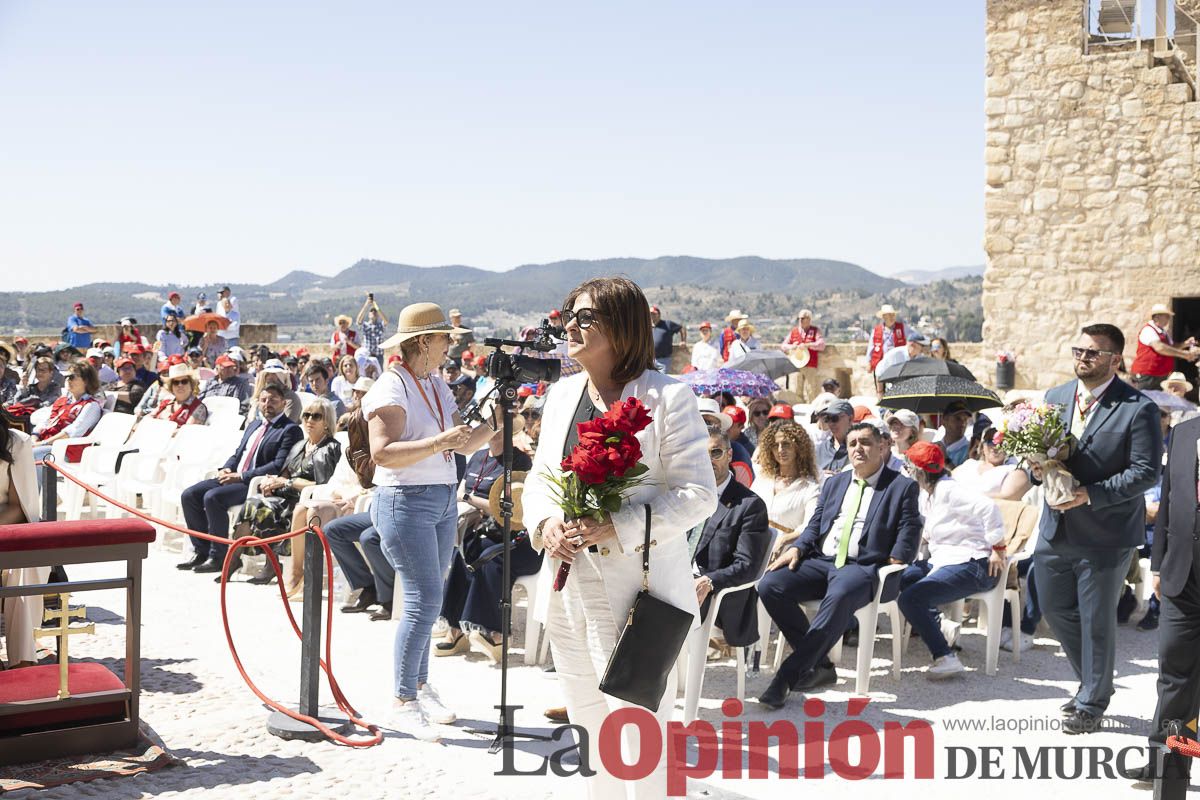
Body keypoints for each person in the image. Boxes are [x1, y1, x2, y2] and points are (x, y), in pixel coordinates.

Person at [520, 276, 717, 799]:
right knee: (586, 714)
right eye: (569, 314)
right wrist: (545, 526)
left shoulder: (669, 397)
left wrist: (617, 526)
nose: (570, 326)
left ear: (622, 327)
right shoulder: (561, 394)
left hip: (638, 591)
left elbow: (699, 493)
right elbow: (540, 479)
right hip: (566, 586)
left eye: (585, 317)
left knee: (637, 720)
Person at [363, 302, 495, 741]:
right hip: (404, 500)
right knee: (422, 603)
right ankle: (403, 700)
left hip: (438, 499)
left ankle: (418, 686)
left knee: (429, 603)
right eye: (444, 338)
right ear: (423, 342)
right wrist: (441, 439)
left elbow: (461, 445)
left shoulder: (435, 383)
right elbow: (382, 452)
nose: (450, 345)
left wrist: (496, 422)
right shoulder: (391, 385)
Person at [1033, 323, 1161, 734]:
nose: (1082, 358)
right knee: (1054, 609)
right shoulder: (1053, 399)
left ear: (1115, 360)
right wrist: (1035, 467)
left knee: (1096, 619)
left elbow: (1144, 473)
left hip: (1106, 533)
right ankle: (1092, 681)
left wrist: (1090, 494)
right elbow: (1036, 451)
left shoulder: (1137, 407)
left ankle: (1092, 701)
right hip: (1055, 527)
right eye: (1079, 350)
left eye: (1093, 353)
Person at [756, 423, 921, 707]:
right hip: (821, 560)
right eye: (853, 443)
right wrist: (796, 547)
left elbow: (911, 527)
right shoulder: (835, 483)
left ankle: (786, 676)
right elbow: (816, 524)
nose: (859, 448)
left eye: (866, 442)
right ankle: (819, 664)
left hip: (863, 566)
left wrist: (897, 558)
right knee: (771, 585)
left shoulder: (901, 486)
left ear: (882, 446)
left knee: (840, 595)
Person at [1127, 411, 1200, 782]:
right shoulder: (1186, 432)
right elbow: (1170, 499)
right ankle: (1166, 766)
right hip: (1182, 578)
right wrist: (1158, 565)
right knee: (1174, 675)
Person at [897, 441, 1006, 678]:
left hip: (975, 564)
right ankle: (941, 625)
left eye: (908, 467)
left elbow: (989, 508)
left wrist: (998, 546)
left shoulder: (948, 490)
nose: (905, 472)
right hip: (947, 560)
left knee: (911, 599)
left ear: (919, 471)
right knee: (901, 578)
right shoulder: (930, 493)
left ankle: (945, 656)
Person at [177, 384, 304, 578]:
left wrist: (241, 476)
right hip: (234, 476)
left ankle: (218, 556)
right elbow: (239, 453)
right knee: (190, 495)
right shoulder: (254, 424)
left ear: (284, 403)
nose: (267, 404)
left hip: (254, 483)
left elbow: (277, 466)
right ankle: (200, 551)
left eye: (273, 400)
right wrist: (227, 468)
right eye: (264, 400)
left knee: (213, 497)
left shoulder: (290, 429)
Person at [437, 414, 536, 662]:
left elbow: (514, 509)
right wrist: (473, 504)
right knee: (462, 553)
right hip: (481, 529)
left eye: (502, 427)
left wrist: (473, 501)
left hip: (514, 534)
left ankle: (496, 633)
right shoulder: (478, 457)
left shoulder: (520, 461)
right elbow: (460, 492)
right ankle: (456, 629)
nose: (496, 431)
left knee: (490, 559)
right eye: (493, 426)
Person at [238, 399, 342, 592]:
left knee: (265, 508)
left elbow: (322, 485)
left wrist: (286, 483)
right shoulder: (300, 445)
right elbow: (285, 474)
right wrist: (272, 482)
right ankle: (238, 557)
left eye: (316, 416)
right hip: (287, 496)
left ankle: (274, 566)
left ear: (326, 421)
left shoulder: (330, 448)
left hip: (308, 501)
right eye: (306, 415)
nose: (309, 420)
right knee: (254, 502)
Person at [690, 429, 771, 651]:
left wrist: (708, 581)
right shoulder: (686, 495)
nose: (708, 460)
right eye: (701, 453)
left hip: (715, 592)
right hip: (681, 578)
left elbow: (746, 565)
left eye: (715, 452)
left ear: (729, 455)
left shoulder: (749, 505)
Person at [0, 408, 45, 667]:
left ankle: (23, 659)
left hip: (10, 530)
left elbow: (20, 509)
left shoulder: (15, 442)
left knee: (25, 567)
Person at [752, 421, 821, 559]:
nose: (780, 450)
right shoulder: (762, 479)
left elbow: (810, 525)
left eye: (786, 444)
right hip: (753, 545)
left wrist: (784, 540)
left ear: (798, 448)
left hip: (785, 552)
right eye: (775, 445)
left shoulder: (810, 488)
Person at [31, 362, 103, 474]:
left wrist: (42, 443)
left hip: (67, 451)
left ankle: (37, 491)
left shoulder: (91, 406)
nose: (68, 380)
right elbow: (46, 422)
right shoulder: (62, 401)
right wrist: (34, 437)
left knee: (33, 455)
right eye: (66, 377)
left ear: (86, 381)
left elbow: (72, 432)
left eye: (72, 377)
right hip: (48, 445)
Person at [1130, 303, 1198, 390]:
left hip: (1159, 375)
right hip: (1147, 375)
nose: (1169, 319)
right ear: (1157, 317)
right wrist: (1184, 354)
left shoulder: (1163, 332)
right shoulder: (1148, 330)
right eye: (1166, 316)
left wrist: (1185, 344)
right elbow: (1160, 347)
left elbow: (1172, 346)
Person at [953, 425, 1031, 500]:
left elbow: (1006, 498)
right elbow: (948, 483)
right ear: (982, 446)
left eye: (1001, 442)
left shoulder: (1014, 470)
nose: (995, 446)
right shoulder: (969, 464)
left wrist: (966, 497)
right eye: (990, 441)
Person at [781, 310, 826, 401]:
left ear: (809, 319)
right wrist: (792, 346)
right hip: (796, 364)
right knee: (796, 388)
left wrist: (808, 345)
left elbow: (821, 345)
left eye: (803, 318)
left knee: (811, 389)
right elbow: (783, 346)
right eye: (799, 318)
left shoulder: (815, 331)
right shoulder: (794, 331)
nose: (800, 320)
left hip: (810, 364)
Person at [147, 363, 209, 428]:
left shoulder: (198, 407)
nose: (180, 385)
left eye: (184, 381)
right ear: (171, 387)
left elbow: (186, 432)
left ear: (191, 385)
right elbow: (148, 419)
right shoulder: (166, 402)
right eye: (176, 382)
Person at [697, 397, 751, 465]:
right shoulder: (685, 446)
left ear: (719, 426)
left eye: (708, 422)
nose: (704, 426)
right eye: (699, 421)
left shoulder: (737, 450)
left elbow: (743, 473)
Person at [866, 303, 913, 372]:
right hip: (881, 364)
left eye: (893, 315)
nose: (892, 317)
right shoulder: (876, 331)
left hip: (898, 363)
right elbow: (871, 347)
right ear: (884, 317)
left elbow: (913, 336)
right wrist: (869, 363)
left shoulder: (902, 328)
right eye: (890, 315)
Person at [814, 399, 854, 476]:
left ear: (850, 419)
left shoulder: (858, 449)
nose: (831, 423)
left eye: (835, 418)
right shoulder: (819, 449)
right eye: (827, 419)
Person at [937, 400, 974, 468]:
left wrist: (945, 458)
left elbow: (961, 477)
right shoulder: (935, 445)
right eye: (958, 419)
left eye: (965, 419)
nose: (963, 424)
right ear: (944, 420)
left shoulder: (969, 450)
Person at [649, 305, 686, 372]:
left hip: (663, 361)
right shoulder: (647, 327)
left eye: (654, 314)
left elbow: (682, 329)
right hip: (649, 360)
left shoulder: (667, 324)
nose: (652, 316)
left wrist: (683, 341)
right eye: (650, 314)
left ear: (659, 315)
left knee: (662, 381)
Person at [355, 294, 389, 361]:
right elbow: (358, 320)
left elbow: (386, 321)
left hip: (379, 355)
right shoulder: (365, 325)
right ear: (368, 315)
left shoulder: (380, 325)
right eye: (371, 311)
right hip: (367, 355)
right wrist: (366, 305)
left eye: (375, 312)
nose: (373, 312)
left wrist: (376, 306)